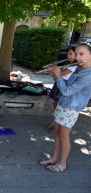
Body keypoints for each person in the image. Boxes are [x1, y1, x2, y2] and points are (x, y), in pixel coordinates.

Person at [39, 42, 91, 172]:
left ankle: (62, 164)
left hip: (71, 108)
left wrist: (58, 76)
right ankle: (54, 158)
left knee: (64, 136)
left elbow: (67, 91)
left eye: (81, 54)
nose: (77, 57)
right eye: (77, 54)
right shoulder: (80, 69)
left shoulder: (88, 75)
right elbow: (68, 84)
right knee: (57, 132)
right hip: (64, 105)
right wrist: (56, 77)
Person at [44, 46, 77, 134]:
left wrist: (54, 67)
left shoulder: (74, 67)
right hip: (59, 83)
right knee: (56, 104)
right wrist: (50, 70)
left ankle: (57, 126)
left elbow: (60, 74)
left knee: (59, 106)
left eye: (71, 54)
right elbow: (55, 75)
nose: (68, 56)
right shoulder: (68, 64)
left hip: (64, 85)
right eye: (68, 54)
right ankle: (54, 123)